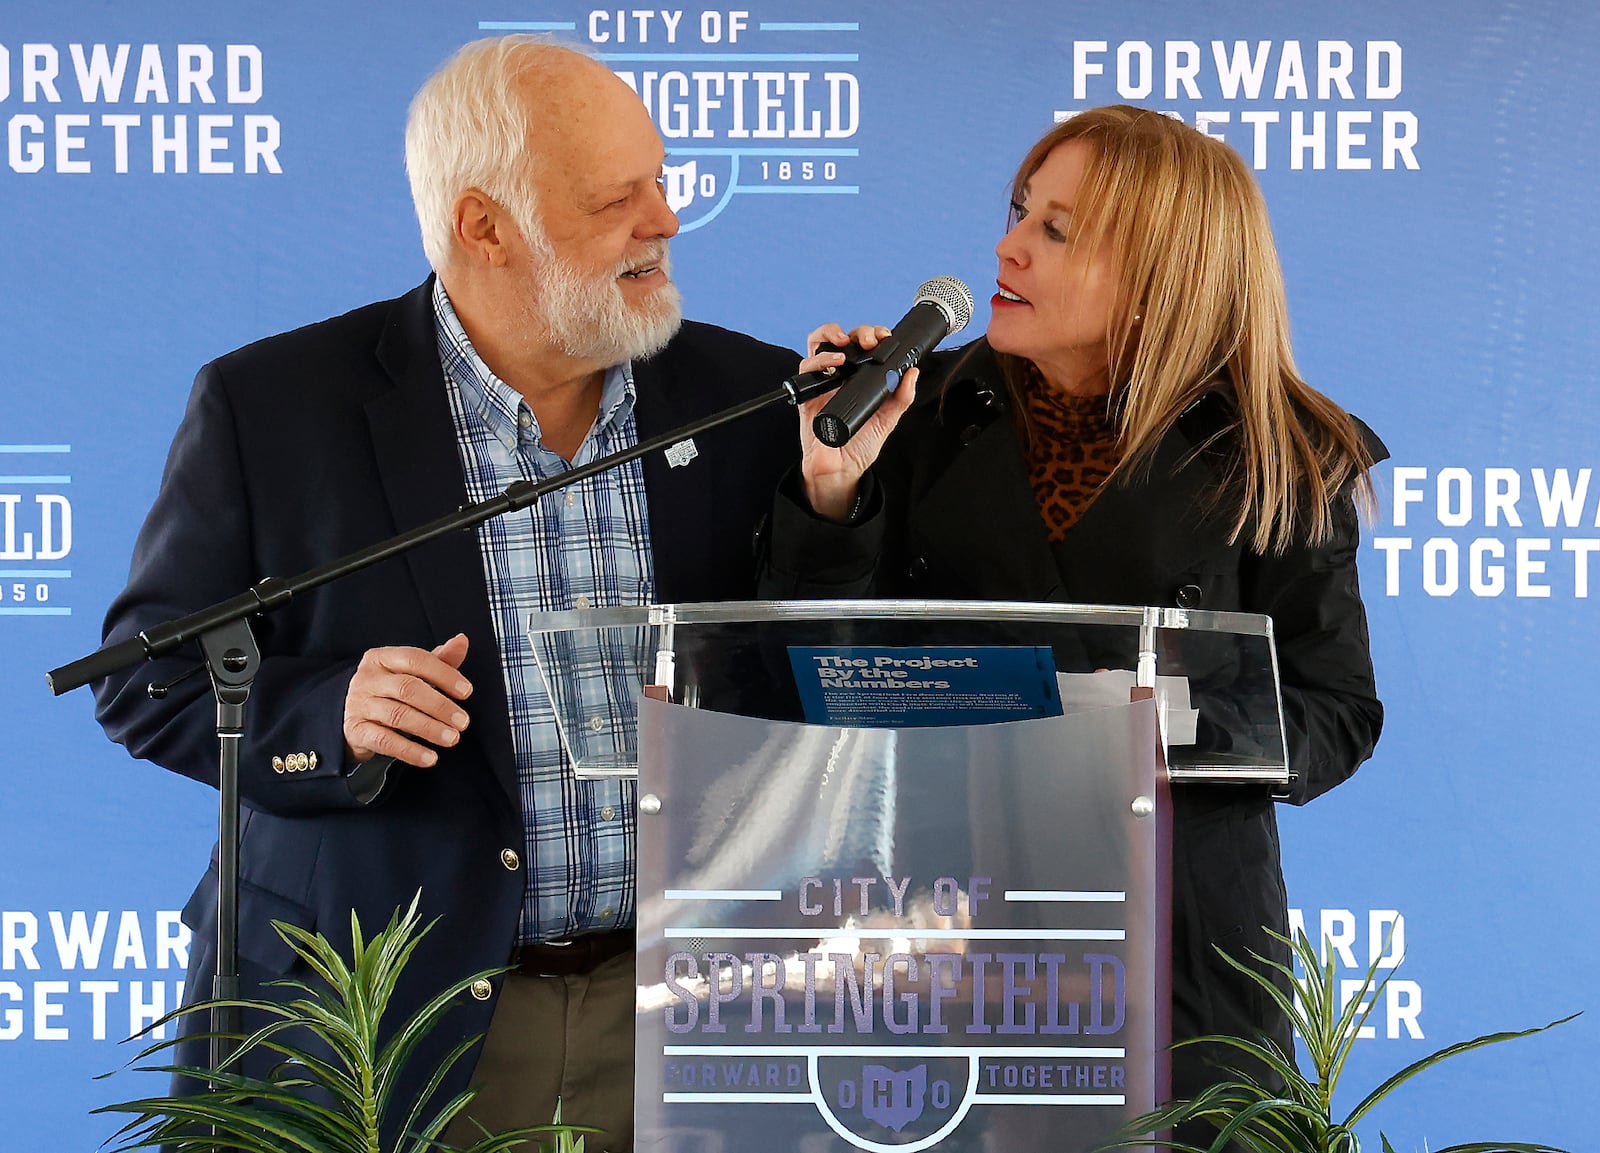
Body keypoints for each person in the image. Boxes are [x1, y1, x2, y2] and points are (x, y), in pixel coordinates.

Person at [93, 37, 798, 1152]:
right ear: (484, 226)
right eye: (618, 198)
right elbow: (149, 677)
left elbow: (811, 658)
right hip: (389, 1026)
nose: (664, 220)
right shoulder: (273, 406)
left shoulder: (749, 395)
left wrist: (846, 506)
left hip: (686, 1015)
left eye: (662, 182)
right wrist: (327, 716)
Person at [761, 105, 1385, 1137]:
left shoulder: (1281, 450)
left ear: (1161, 270)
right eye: (1018, 211)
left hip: (1178, 958)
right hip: (939, 937)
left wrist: (1141, 726)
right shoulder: (911, 415)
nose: (1006, 245)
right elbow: (803, 681)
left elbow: (1333, 713)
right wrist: (833, 493)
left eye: (1057, 229)